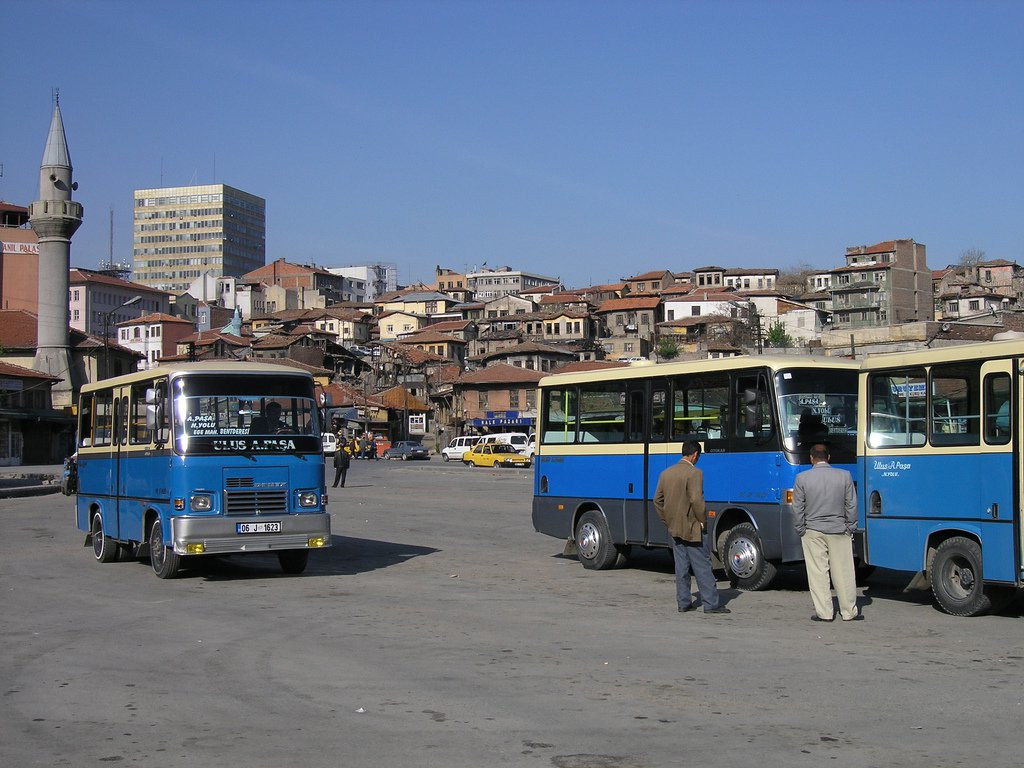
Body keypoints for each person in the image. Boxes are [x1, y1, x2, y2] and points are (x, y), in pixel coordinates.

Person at [653, 440, 730, 615]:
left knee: (681, 567)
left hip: (674, 528)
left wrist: (667, 520)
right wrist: (702, 520)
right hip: (692, 527)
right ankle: (711, 604)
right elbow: (696, 500)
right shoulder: (694, 473)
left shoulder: (666, 473)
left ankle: (683, 602)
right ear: (695, 455)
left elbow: (657, 500)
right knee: (702, 566)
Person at [792, 443, 861, 622]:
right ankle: (849, 612)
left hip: (812, 530)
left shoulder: (802, 478)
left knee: (818, 573)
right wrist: (850, 526)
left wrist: (801, 529)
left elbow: (797, 508)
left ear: (811, 458)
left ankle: (824, 613)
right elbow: (852, 505)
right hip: (839, 529)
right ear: (829, 458)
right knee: (844, 571)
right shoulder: (844, 476)